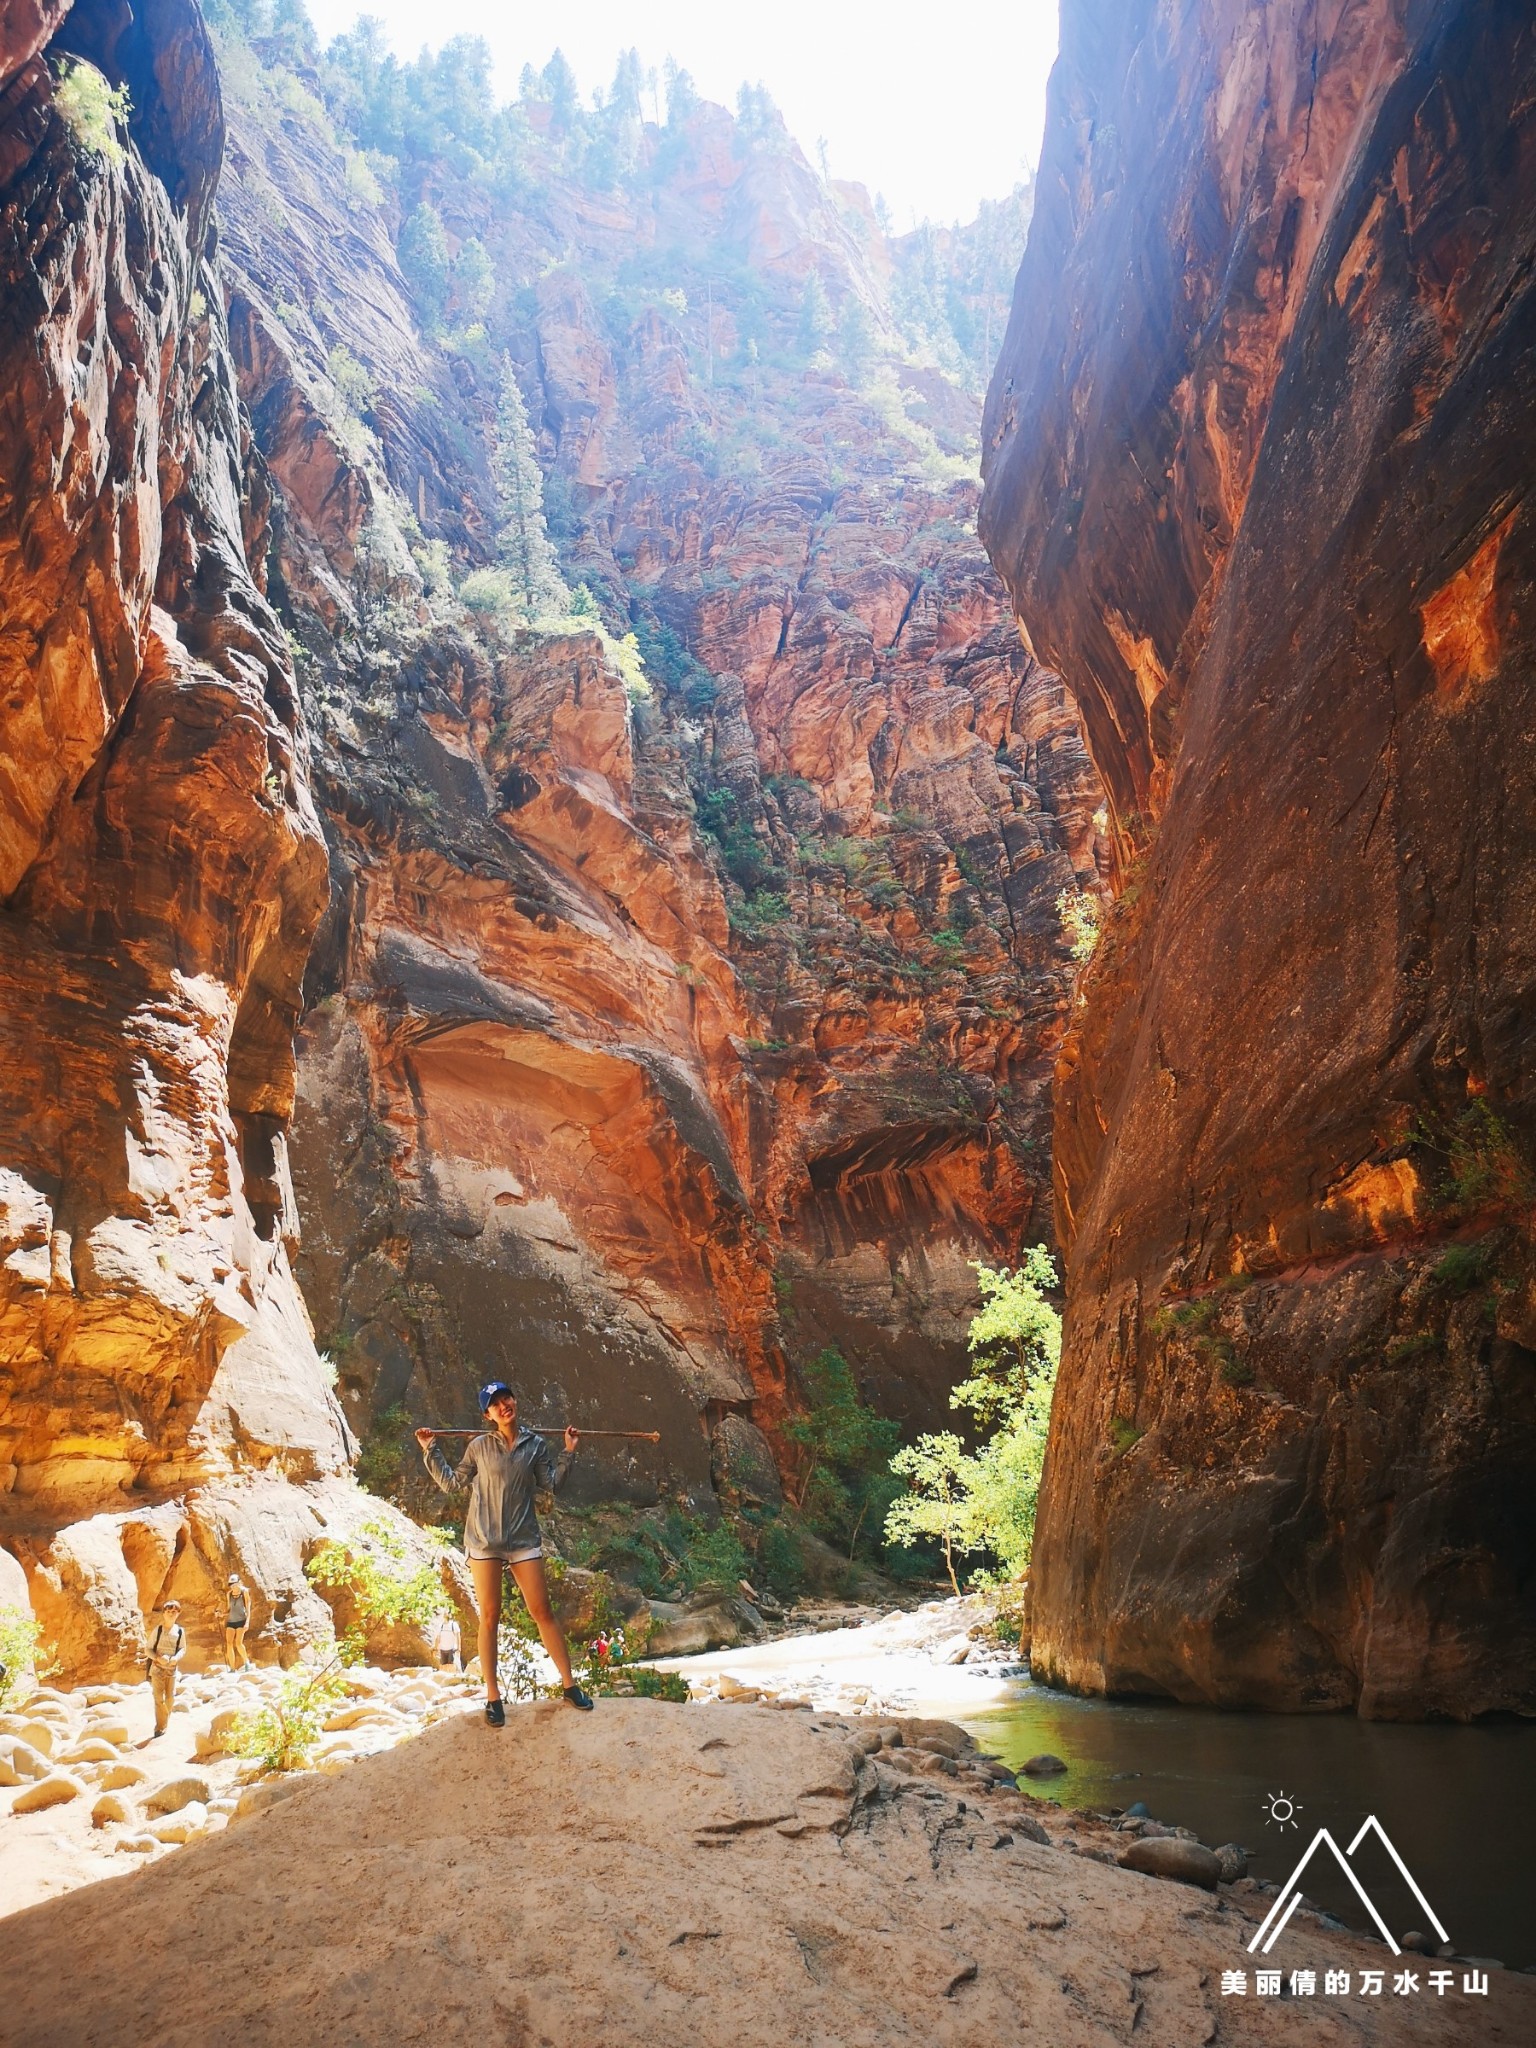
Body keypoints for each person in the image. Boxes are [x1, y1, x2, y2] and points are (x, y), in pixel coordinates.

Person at [416, 1383, 592, 1725]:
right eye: (494, 1404)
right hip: (484, 1540)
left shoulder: (535, 1444)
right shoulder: (479, 1447)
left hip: (523, 1538)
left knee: (543, 1611)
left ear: (514, 1400)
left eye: (506, 1398)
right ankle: (494, 1698)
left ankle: (569, 1686)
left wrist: (569, 1451)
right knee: (490, 1617)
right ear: (488, 1415)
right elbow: (453, 1483)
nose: (503, 1405)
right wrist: (431, 1449)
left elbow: (552, 1484)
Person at [145, 1600, 185, 1737]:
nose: (171, 1614)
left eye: (174, 1612)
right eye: (169, 1611)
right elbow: (148, 1650)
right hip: (157, 1669)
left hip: (171, 1670)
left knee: (169, 1698)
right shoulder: (158, 1630)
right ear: (164, 1613)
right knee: (158, 1697)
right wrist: (157, 1658)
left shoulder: (180, 1631)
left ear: (178, 1613)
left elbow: (182, 1649)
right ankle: (160, 1727)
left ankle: (165, 1722)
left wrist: (176, 1658)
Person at [224, 1572, 252, 1671]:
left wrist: (247, 1622)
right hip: (231, 1620)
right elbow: (228, 1609)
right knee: (229, 1643)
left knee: (238, 1643)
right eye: (231, 1584)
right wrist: (221, 1614)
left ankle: (246, 1661)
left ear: (239, 1582)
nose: (232, 1586)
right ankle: (232, 1667)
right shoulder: (229, 1594)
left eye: (234, 1583)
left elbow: (248, 1607)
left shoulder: (244, 1592)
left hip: (241, 1620)